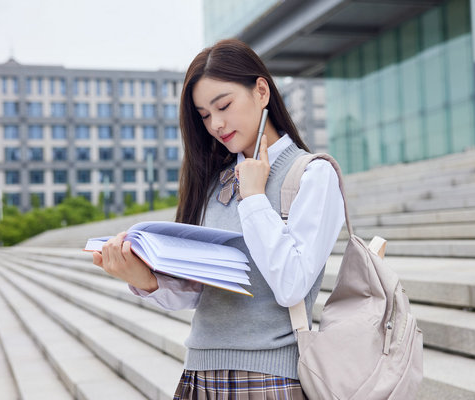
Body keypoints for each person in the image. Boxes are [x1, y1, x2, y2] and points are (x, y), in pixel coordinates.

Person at [93, 38, 345, 399]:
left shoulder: (312, 175)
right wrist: (144, 279)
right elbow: (199, 292)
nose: (216, 123)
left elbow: (292, 284)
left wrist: (255, 198)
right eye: (204, 115)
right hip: (200, 372)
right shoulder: (214, 180)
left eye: (223, 105)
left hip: (269, 377)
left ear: (261, 91)